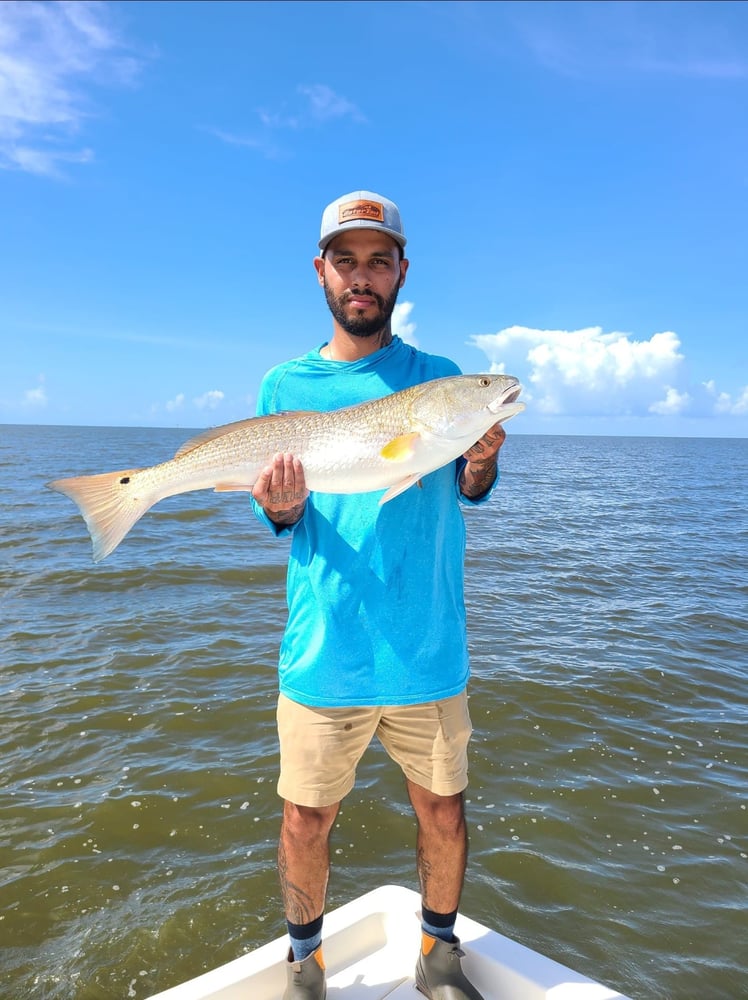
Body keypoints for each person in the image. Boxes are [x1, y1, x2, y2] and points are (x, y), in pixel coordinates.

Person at [250, 191, 506, 1000]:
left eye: (379, 260)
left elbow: (470, 486)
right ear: (322, 271)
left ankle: (438, 953)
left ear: (401, 273)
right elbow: (279, 514)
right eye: (347, 260)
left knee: (444, 812)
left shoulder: (439, 382)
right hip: (326, 646)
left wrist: (478, 458)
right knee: (304, 820)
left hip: (427, 646)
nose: (363, 276)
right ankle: (303, 961)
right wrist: (281, 504)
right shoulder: (283, 383)